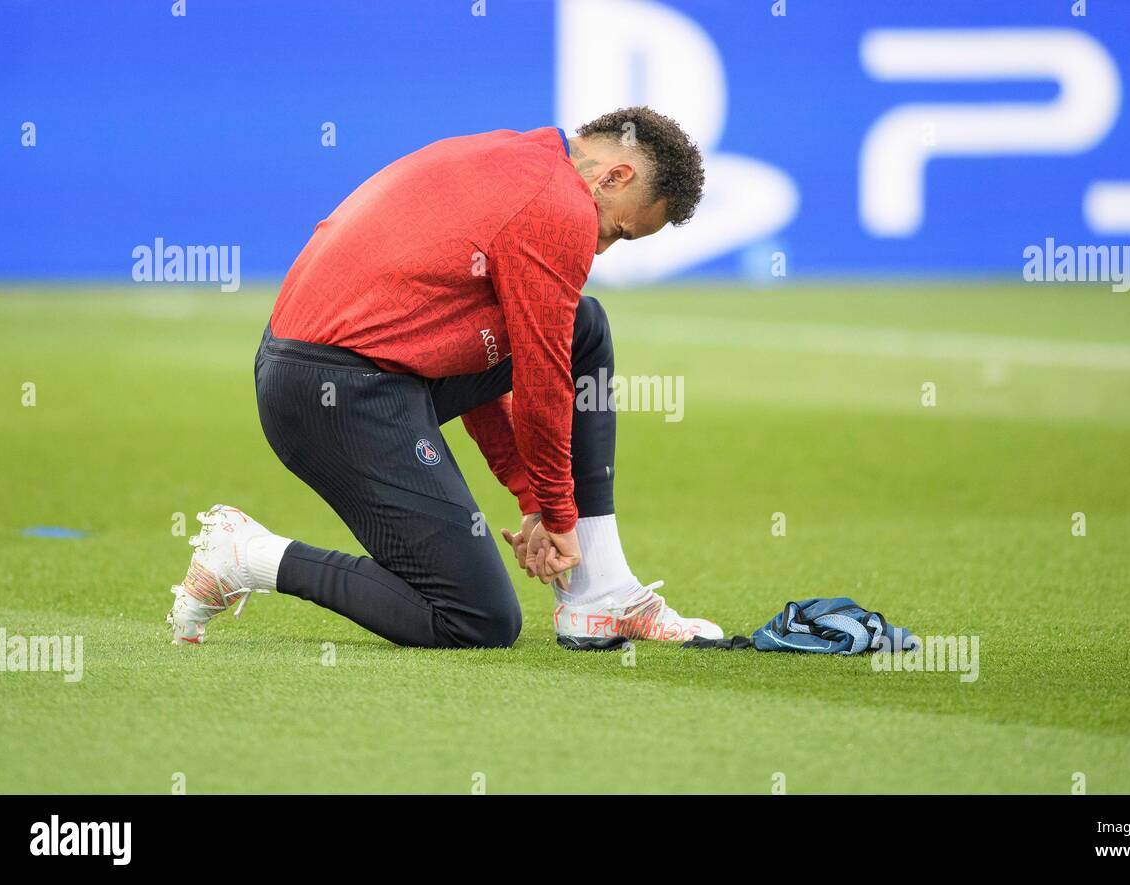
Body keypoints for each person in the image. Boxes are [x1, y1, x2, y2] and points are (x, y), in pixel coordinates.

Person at [166, 107, 722, 651]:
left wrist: (530, 496)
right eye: (619, 230)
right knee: (477, 620)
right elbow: (542, 379)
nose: (602, 247)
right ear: (614, 176)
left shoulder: (516, 156)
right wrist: (557, 513)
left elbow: (466, 350)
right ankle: (247, 556)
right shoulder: (559, 206)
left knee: (585, 325)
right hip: (335, 391)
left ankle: (597, 591)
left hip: (329, 370)